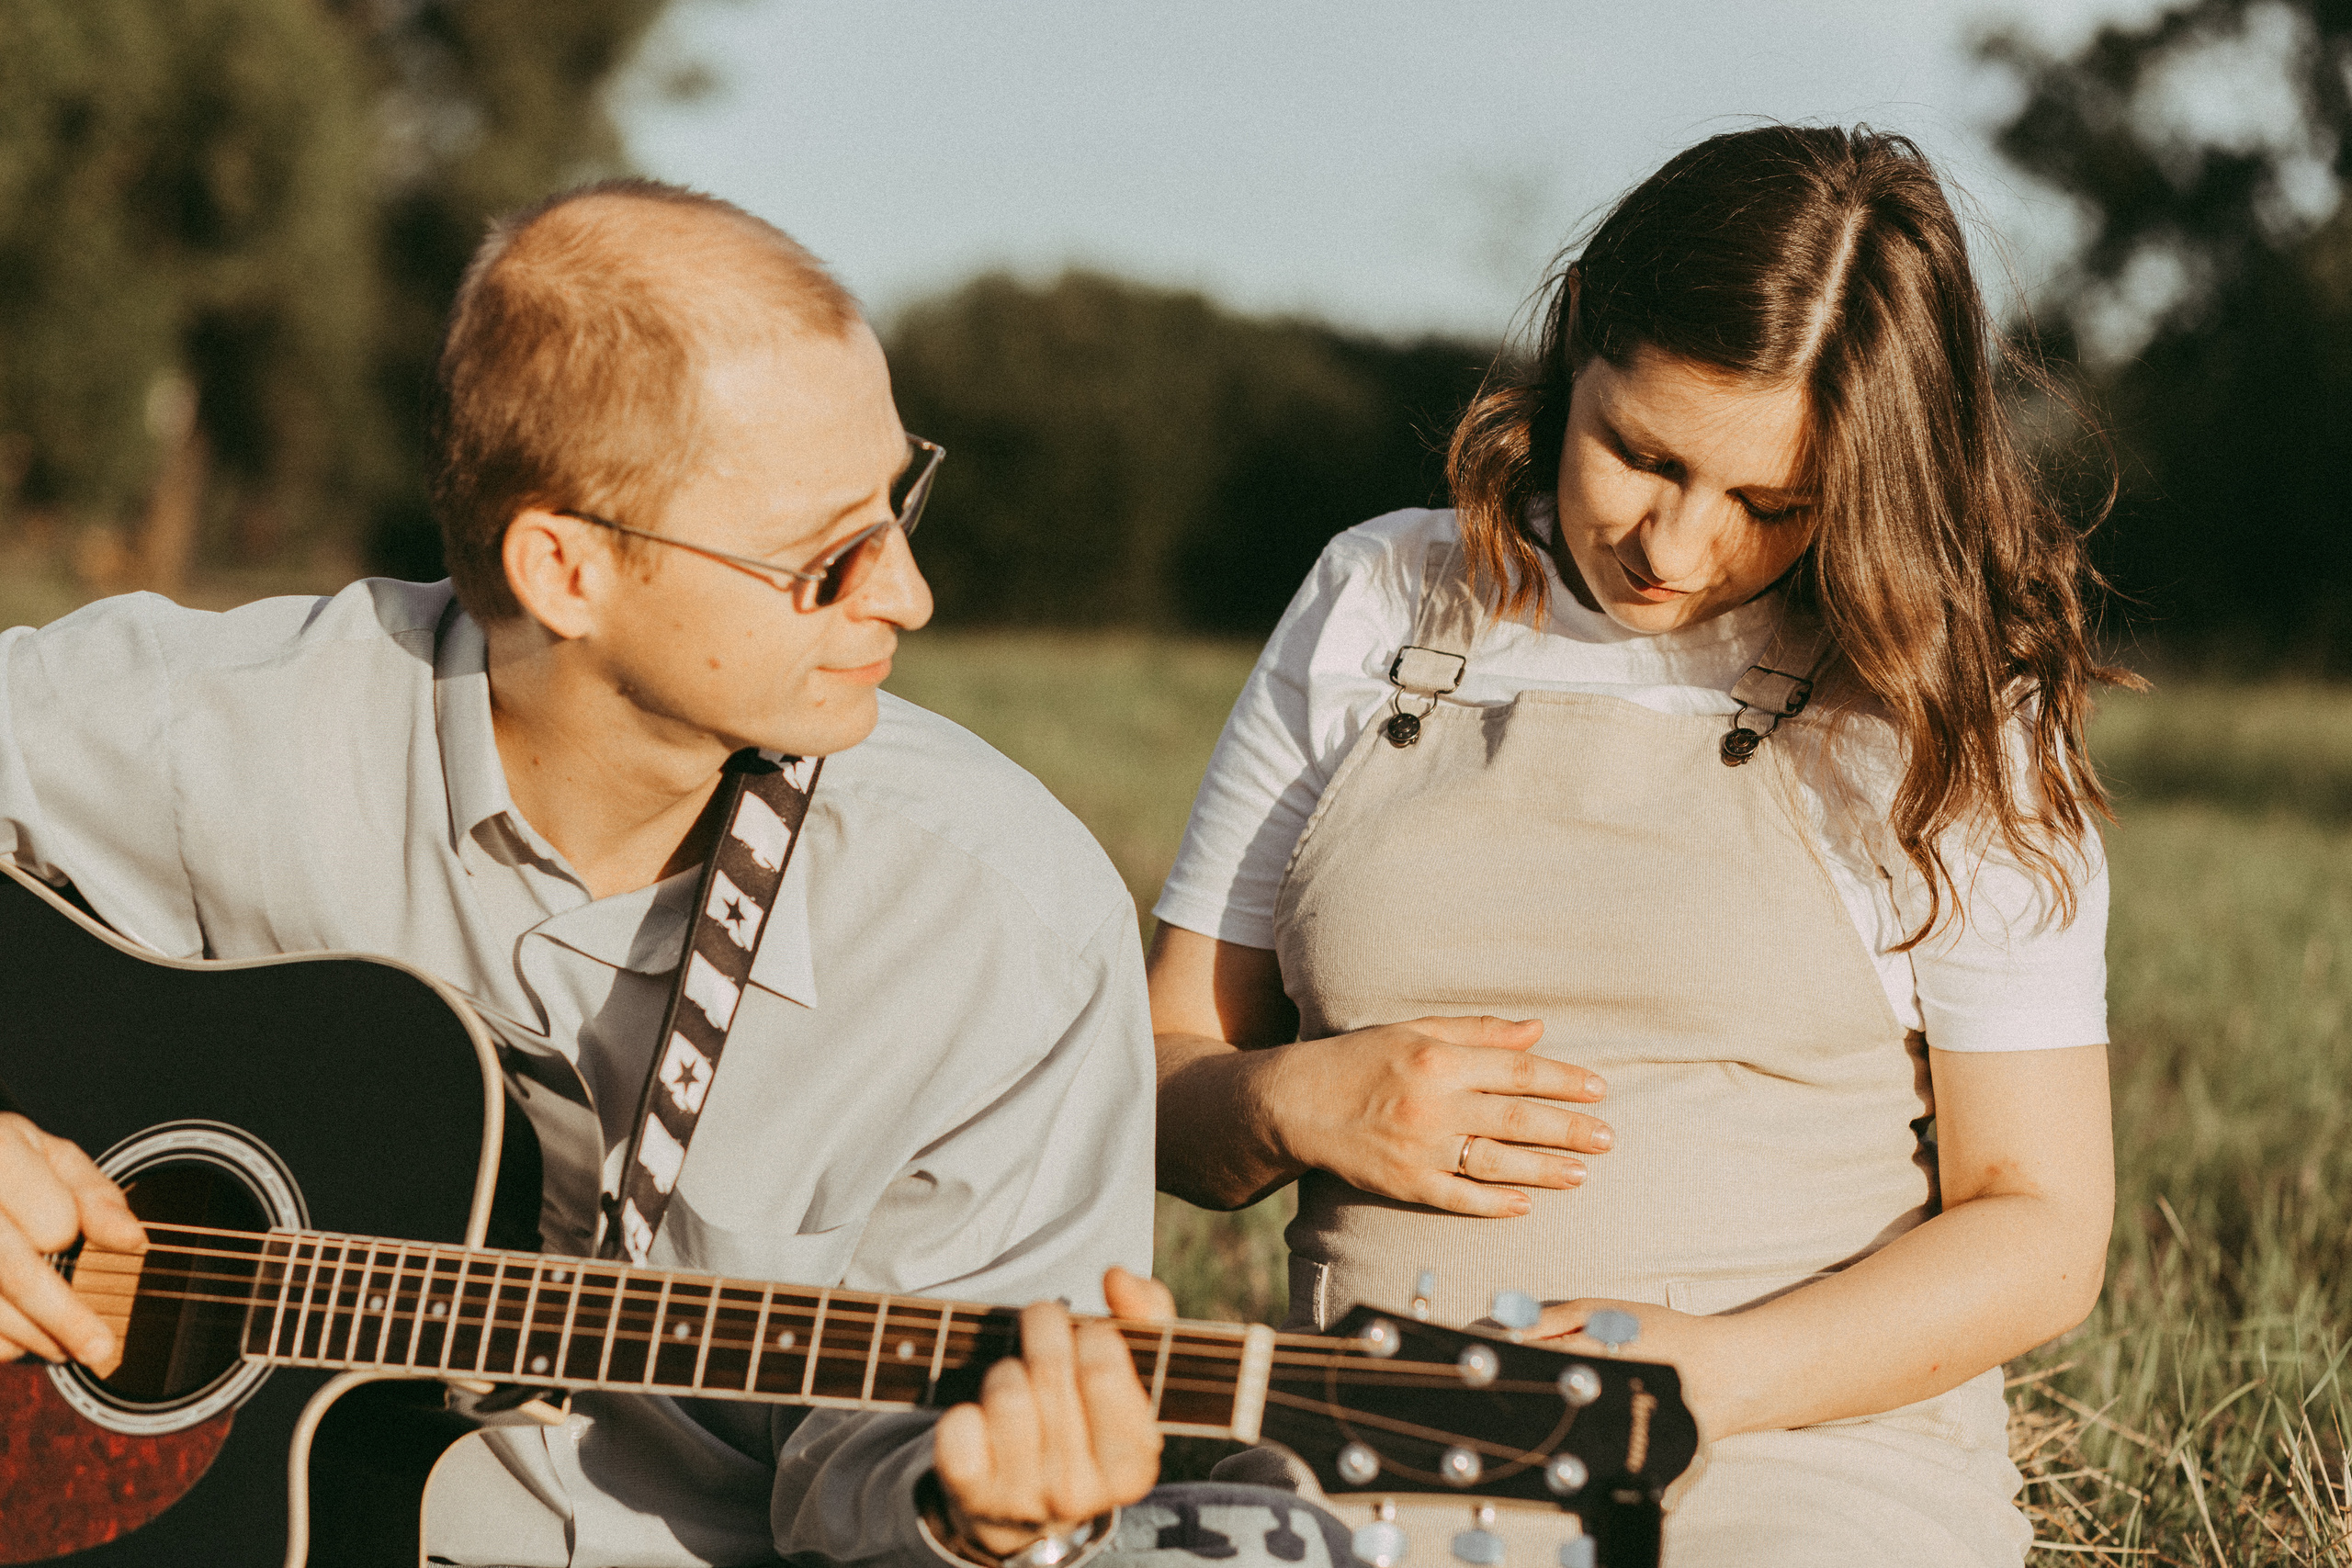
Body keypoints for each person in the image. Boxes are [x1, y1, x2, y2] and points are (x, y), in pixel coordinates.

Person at [0, 180, 1177, 1568]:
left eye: (900, 501)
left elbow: (886, 1484)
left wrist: (979, 1515)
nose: (908, 593)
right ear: (565, 569)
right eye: (828, 558)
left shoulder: (1006, 924)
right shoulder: (211, 731)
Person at [1149, 126, 2120, 1566]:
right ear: (1581, 330)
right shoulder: (1379, 596)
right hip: (1369, 1457)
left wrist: (1707, 1378)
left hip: (1797, 1469)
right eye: (1643, 455)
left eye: (1773, 505)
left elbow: (2037, 1225)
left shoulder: (1944, 699)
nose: (1677, 546)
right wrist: (1291, 1103)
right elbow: (1167, 1077)